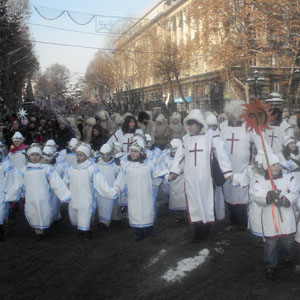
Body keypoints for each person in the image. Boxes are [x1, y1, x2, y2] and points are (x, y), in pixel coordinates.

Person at [169, 109, 233, 242]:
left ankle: (208, 226)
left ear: (199, 124)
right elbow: (179, 157)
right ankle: (198, 231)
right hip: (190, 178)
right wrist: (174, 172)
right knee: (194, 204)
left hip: (205, 177)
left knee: (206, 201)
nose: (190, 127)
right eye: (189, 124)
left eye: (192, 124)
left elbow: (221, 154)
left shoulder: (210, 136)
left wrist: (227, 172)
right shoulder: (185, 139)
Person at [6, 145, 71, 239]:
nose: (35, 157)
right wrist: (11, 195)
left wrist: (64, 194)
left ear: (40, 156)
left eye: (37, 155)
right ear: (28, 156)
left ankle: (43, 228)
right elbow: (17, 184)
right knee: (33, 212)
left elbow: (56, 181)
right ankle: (38, 231)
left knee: (45, 211)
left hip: (43, 195)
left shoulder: (46, 168)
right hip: (30, 196)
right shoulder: (24, 170)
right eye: (32, 155)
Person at [252, 154, 299, 279]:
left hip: (286, 216)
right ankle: (270, 266)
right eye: (273, 165)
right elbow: (257, 195)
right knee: (270, 244)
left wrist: (284, 200)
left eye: (278, 164)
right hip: (270, 218)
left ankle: (287, 257)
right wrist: (269, 195)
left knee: (287, 242)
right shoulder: (260, 181)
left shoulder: (289, 177)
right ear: (267, 167)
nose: (277, 167)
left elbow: (294, 191)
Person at [114, 139, 168, 241]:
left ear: (141, 152)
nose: (133, 154)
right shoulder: (126, 165)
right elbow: (120, 178)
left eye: (136, 151)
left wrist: (166, 174)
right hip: (133, 194)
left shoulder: (149, 164)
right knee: (135, 212)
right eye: (132, 151)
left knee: (146, 211)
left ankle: (148, 231)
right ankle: (138, 233)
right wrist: (116, 188)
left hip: (146, 193)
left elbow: (157, 173)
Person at [68, 143, 118, 239]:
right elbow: (67, 180)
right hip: (76, 194)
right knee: (77, 211)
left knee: (86, 212)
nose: (79, 157)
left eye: (81, 155)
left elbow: (100, 182)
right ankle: (81, 229)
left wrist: (109, 192)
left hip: (87, 195)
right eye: (77, 155)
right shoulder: (72, 168)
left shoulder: (91, 167)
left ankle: (88, 230)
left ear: (86, 156)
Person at [95, 144, 120, 229]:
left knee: (114, 202)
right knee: (103, 204)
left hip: (112, 187)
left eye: (107, 155)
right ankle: (104, 221)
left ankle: (114, 216)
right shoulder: (97, 164)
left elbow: (118, 175)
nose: (105, 158)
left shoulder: (115, 164)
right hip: (101, 189)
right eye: (103, 155)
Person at [0, 142, 14, 240]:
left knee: (1, 209)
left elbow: (9, 178)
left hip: (1, 190)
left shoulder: (6, 163)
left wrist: (8, 191)